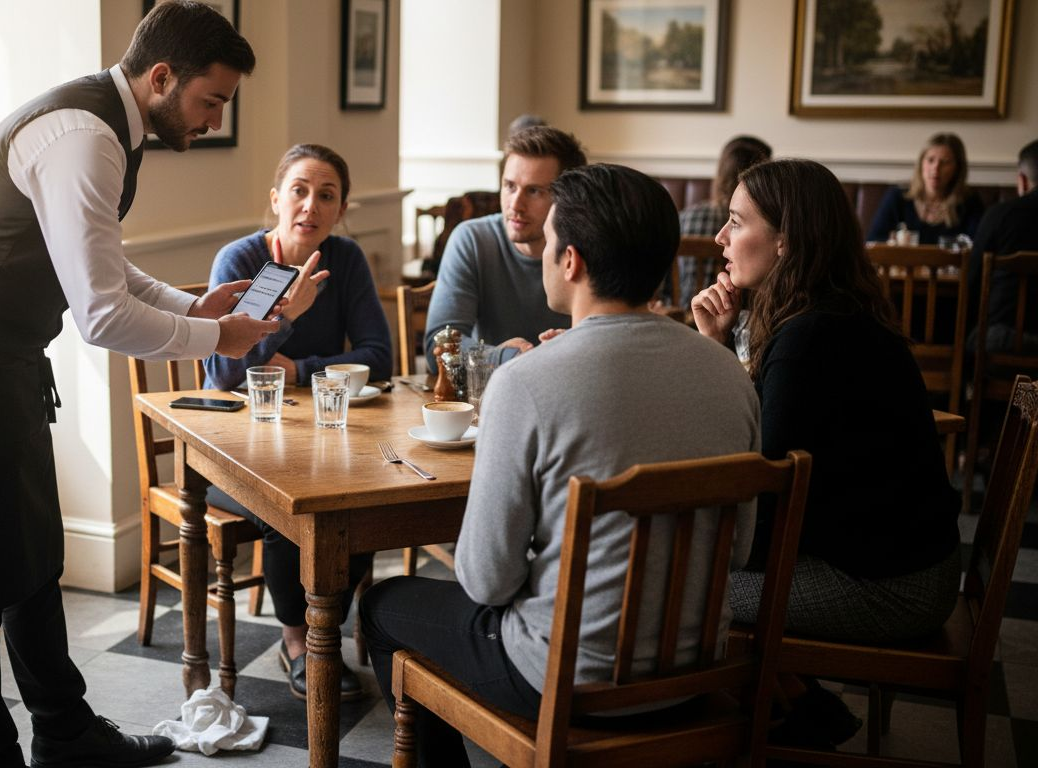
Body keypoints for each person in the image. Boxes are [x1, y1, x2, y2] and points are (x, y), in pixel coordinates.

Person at [0, 4, 278, 767]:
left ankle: (64, 734)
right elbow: (98, 314)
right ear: (161, 78)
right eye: (211, 101)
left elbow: (99, 263)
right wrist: (214, 337)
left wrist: (190, 307)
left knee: (32, 554)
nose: (212, 119)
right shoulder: (83, 136)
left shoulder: (107, 130)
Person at [361, 164, 762, 768]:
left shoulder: (526, 383)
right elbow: (737, 550)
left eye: (548, 243)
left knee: (382, 607)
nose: (543, 252)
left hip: (567, 677)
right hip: (699, 666)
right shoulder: (731, 376)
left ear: (570, 261)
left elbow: (485, 580)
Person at [692, 158, 960, 747]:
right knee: (695, 566)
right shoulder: (824, 313)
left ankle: (745, 732)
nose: (720, 237)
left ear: (786, 240)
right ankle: (796, 709)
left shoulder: (812, 335)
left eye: (736, 222)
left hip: (892, 586)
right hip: (904, 561)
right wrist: (719, 346)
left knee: (681, 582)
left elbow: (763, 499)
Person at [201, 144, 392, 699]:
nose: (311, 205)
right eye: (300, 191)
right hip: (242, 448)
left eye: (326, 195)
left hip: (326, 437)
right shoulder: (241, 262)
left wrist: (301, 366)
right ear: (276, 199)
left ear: (340, 208)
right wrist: (289, 318)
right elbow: (226, 372)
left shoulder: (347, 259)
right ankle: (299, 642)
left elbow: (380, 356)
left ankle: (324, 624)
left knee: (367, 499)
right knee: (289, 509)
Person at [423, 126, 586, 372]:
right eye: (509, 186)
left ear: (567, 198)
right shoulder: (473, 240)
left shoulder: (590, 245)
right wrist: (505, 356)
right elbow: (439, 347)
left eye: (534, 191)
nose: (515, 205)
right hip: (488, 399)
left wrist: (574, 347)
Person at [673, 135, 772, 301]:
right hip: (737, 311)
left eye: (735, 223)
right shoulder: (758, 225)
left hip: (684, 312)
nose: (720, 237)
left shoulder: (684, 218)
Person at [967, 138, 1038, 353]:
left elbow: (973, 280)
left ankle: (1017, 387)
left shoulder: (999, 215)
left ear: (1022, 181)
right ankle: (1032, 388)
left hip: (1002, 342)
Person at [866, 132, 984, 245]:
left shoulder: (970, 202)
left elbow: (976, 249)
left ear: (957, 168)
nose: (935, 168)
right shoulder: (897, 196)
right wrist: (893, 243)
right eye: (930, 160)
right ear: (921, 163)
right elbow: (873, 242)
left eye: (945, 162)